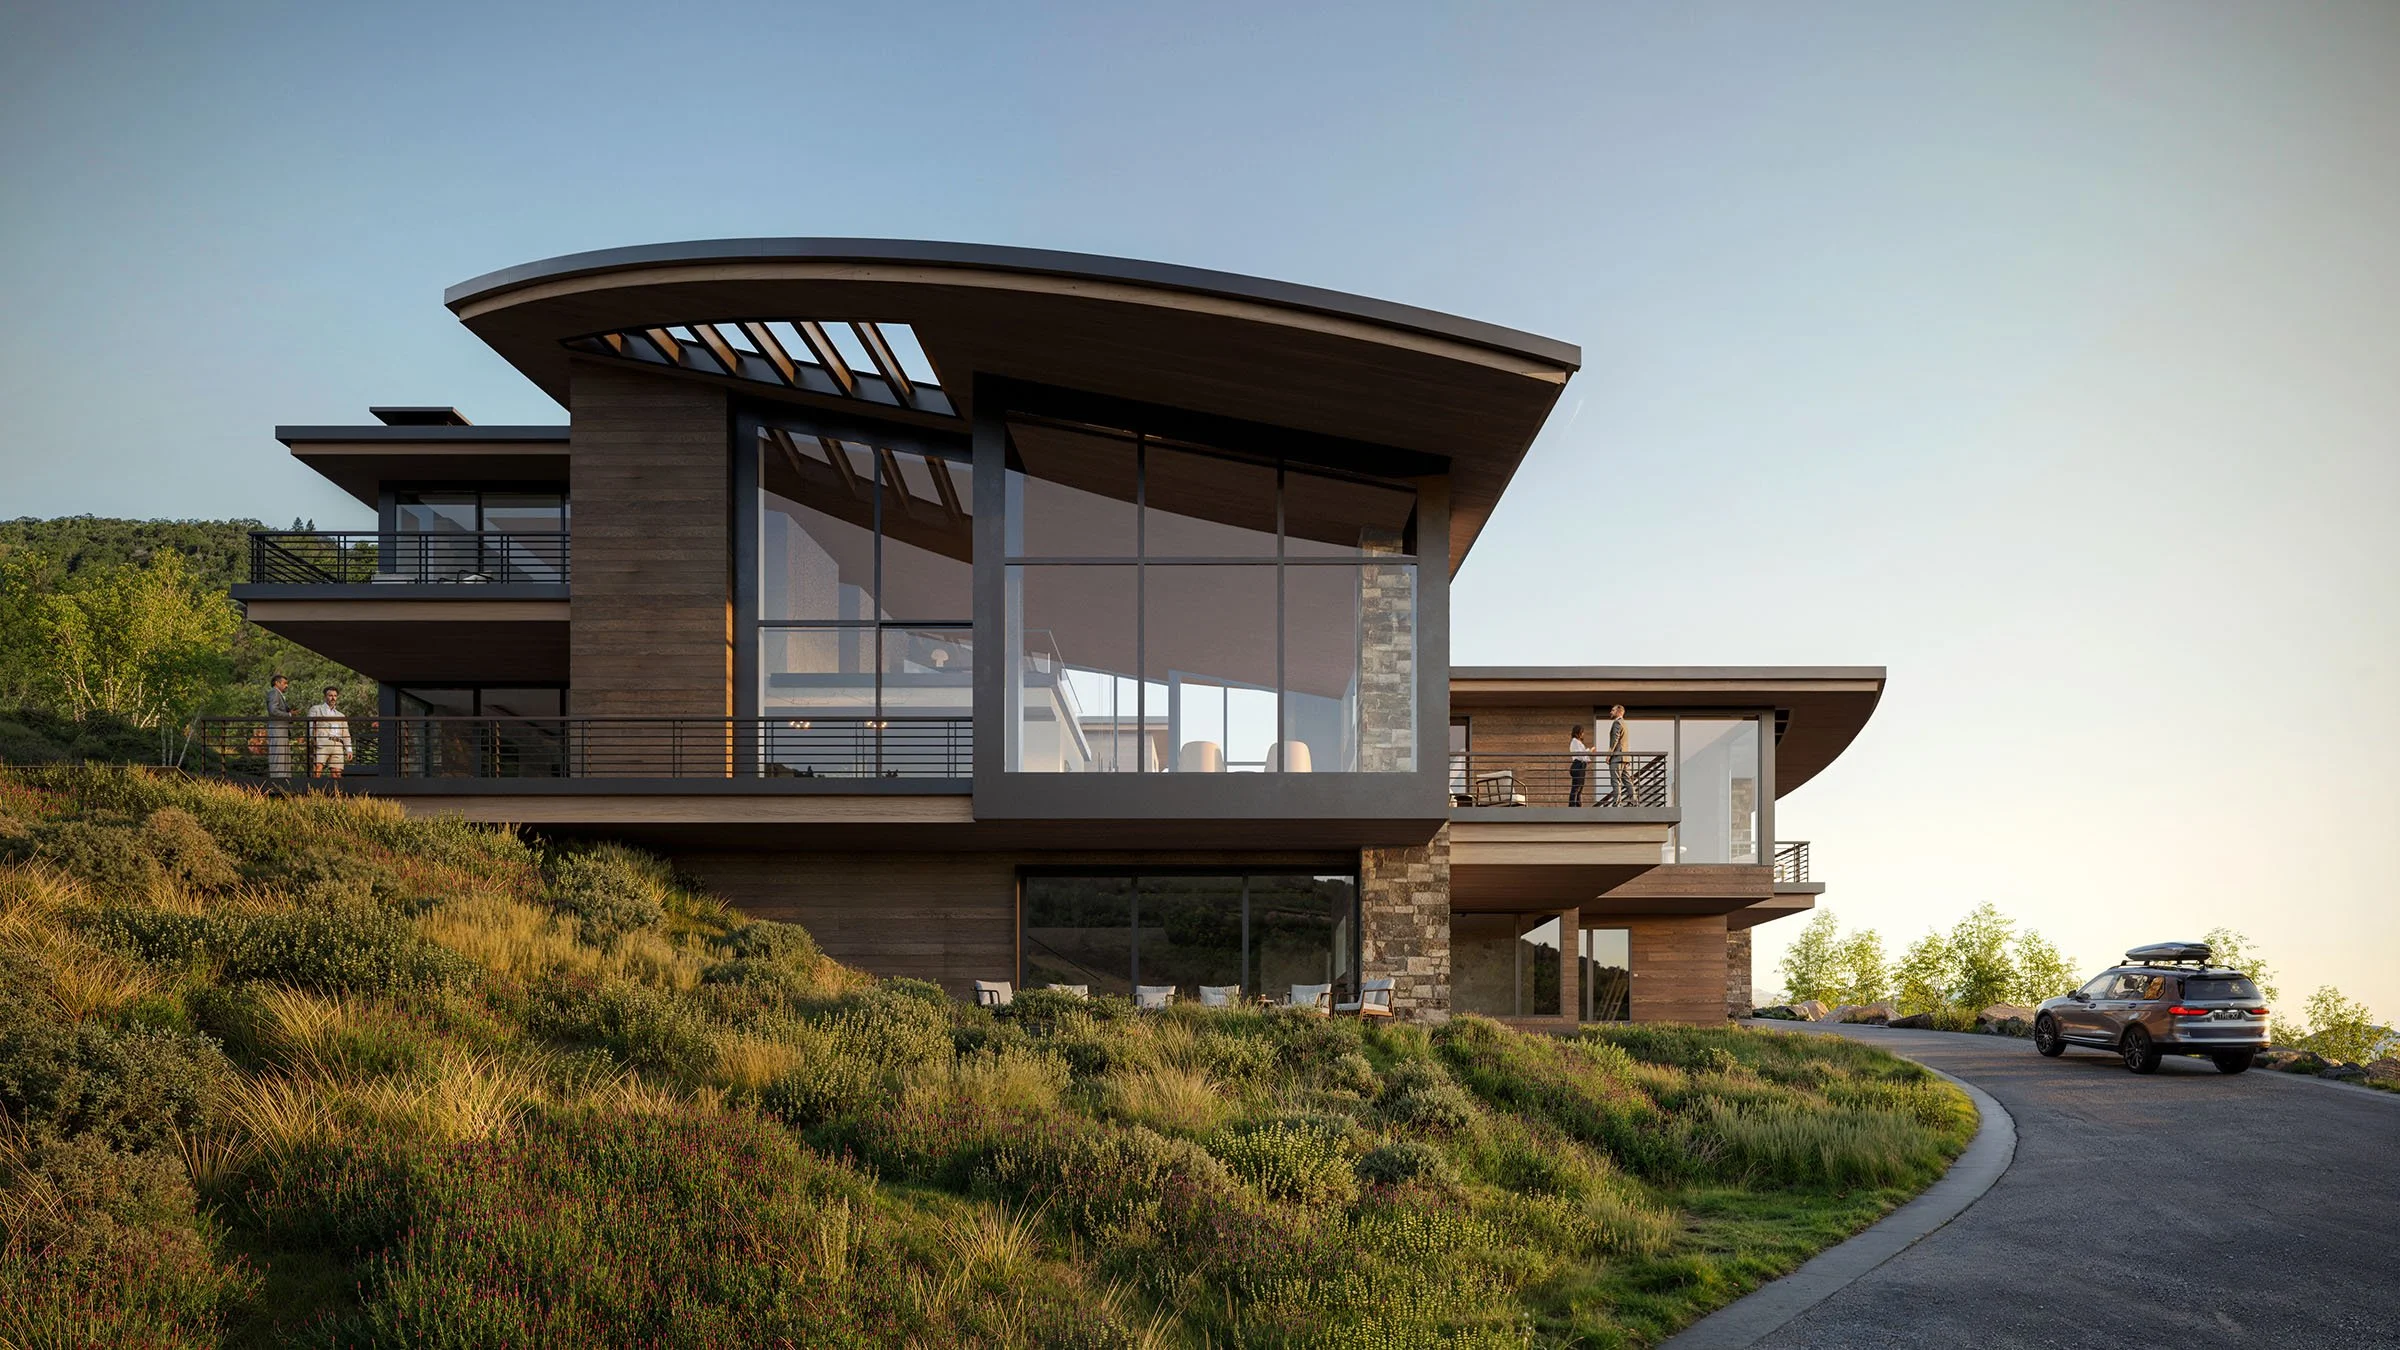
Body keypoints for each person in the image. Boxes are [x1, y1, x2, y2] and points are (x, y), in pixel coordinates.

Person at [305, 685, 353, 778]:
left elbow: (346, 733)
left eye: (335, 696)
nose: (333, 698)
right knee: (317, 769)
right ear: (325, 697)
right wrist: (314, 741)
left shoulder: (341, 715)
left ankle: (337, 792)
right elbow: (311, 726)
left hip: (338, 744)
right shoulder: (316, 709)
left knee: (337, 772)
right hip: (323, 742)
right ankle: (314, 791)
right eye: (330, 695)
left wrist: (349, 749)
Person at [1606, 704, 1637, 806]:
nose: (1611, 712)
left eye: (1612, 710)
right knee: (1627, 780)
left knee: (1616, 781)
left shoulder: (1617, 723)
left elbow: (1615, 740)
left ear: (1619, 712)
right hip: (1625, 758)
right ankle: (1634, 802)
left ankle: (1617, 804)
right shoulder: (1624, 724)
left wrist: (1609, 755)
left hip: (1617, 758)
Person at [264, 674, 294, 778]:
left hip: (282, 729)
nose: (287, 686)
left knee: (283, 756)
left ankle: (283, 778)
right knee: (279, 755)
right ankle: (278, 779)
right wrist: (289, 715)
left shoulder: (278, 694)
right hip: (277, 729)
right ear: (277, 683)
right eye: (284, 683)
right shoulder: (274, 693)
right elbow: (273, 710)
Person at [1567, 724, 1591, 806]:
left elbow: (1583, 756)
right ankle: (1573, 805)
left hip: (1581, 766)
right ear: (1578, 733)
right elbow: (1580, 755)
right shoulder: (1575, 741)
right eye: (1582, 732)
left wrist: (1587, 758)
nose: (1583, 734)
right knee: (1576, 787)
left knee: (1580, 787)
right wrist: (1589, 751)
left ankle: (1577, 804)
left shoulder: (1578, 742)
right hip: (1578, 765)